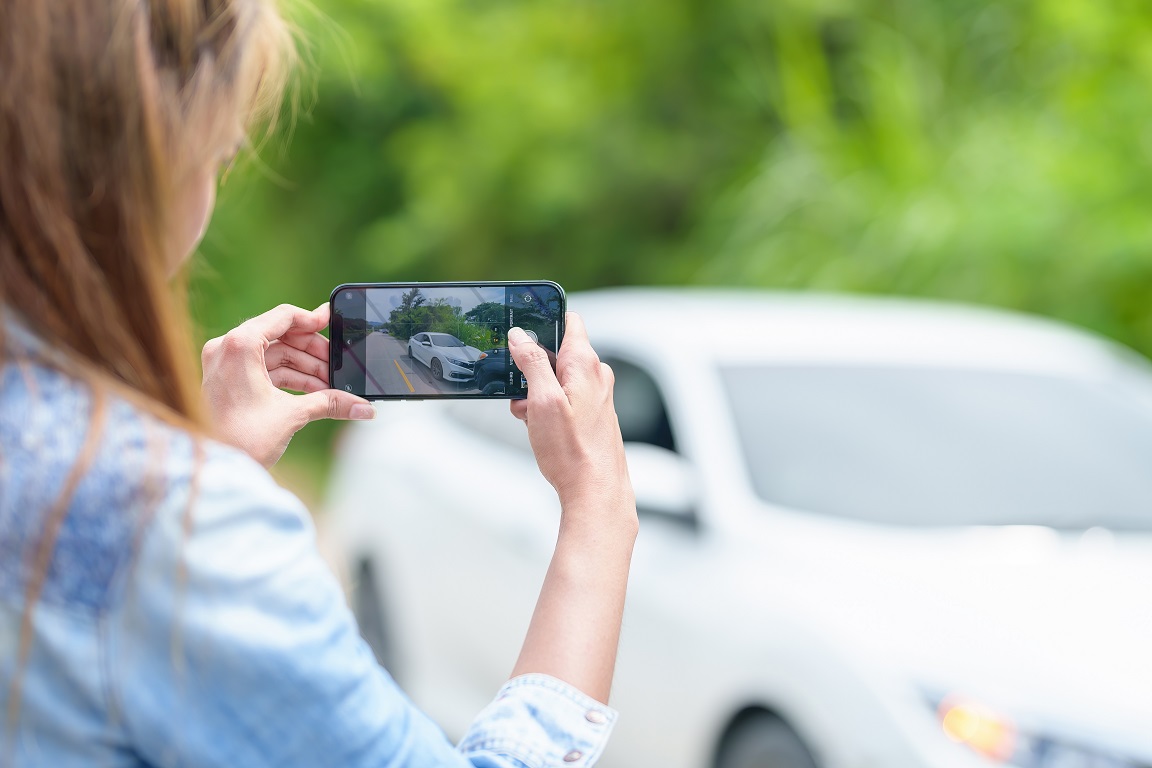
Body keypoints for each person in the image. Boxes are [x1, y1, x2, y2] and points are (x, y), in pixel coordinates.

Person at [0, 1, 638, 766]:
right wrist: (601, 510)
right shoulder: (162, 524)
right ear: (146, 162)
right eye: (219, 157)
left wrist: (213, 467)